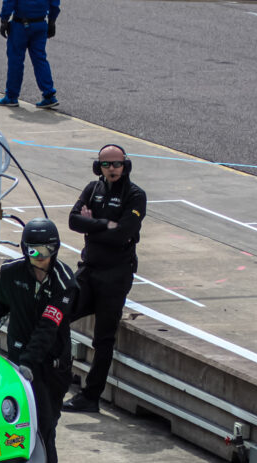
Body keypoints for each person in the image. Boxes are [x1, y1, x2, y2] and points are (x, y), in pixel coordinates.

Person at [0, 218, 76, 463]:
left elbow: (48, 328)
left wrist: (30, 363)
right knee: (37, 423)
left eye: (47, 250)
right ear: (24, 250)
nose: (41, 256)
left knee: (48, 422)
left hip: (52, 365)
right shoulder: (10, 274)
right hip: (20, 363)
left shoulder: (65, 283)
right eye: (34, 251)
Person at [62, 143, 146, 413]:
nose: (112, 169)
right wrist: (104, 224)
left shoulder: (135, 195)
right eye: (106, 164)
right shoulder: (92, 188)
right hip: (89, 270)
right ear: (99, 167)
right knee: (56, 316)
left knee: (103, 339)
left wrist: (92, 225)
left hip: (116, 276)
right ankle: (58, 376)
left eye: (117, 164)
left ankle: (90, 397)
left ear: (126, 165)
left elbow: (122, 234)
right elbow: (73, 221)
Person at [0, 0, 59, 109]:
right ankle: (49, 94)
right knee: (40, 60)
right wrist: (52, 21)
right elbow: (54, 3)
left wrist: (4, 19)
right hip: (40, 23)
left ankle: (11, 96)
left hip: (20, 25)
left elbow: (9, 1)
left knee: (16, 61)